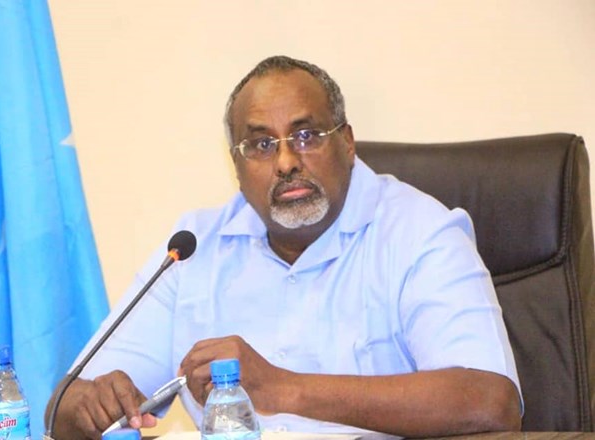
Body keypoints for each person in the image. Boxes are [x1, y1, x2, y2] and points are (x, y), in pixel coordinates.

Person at [46, 55, 522, 440]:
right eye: (261, 145)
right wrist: (90, 404)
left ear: (348, 142)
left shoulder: (419, 232)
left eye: (306, 136)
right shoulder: (193, 248)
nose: (287, 161)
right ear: (236, 166)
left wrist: (283, 388)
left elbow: (490, 401)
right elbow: (62, 406)